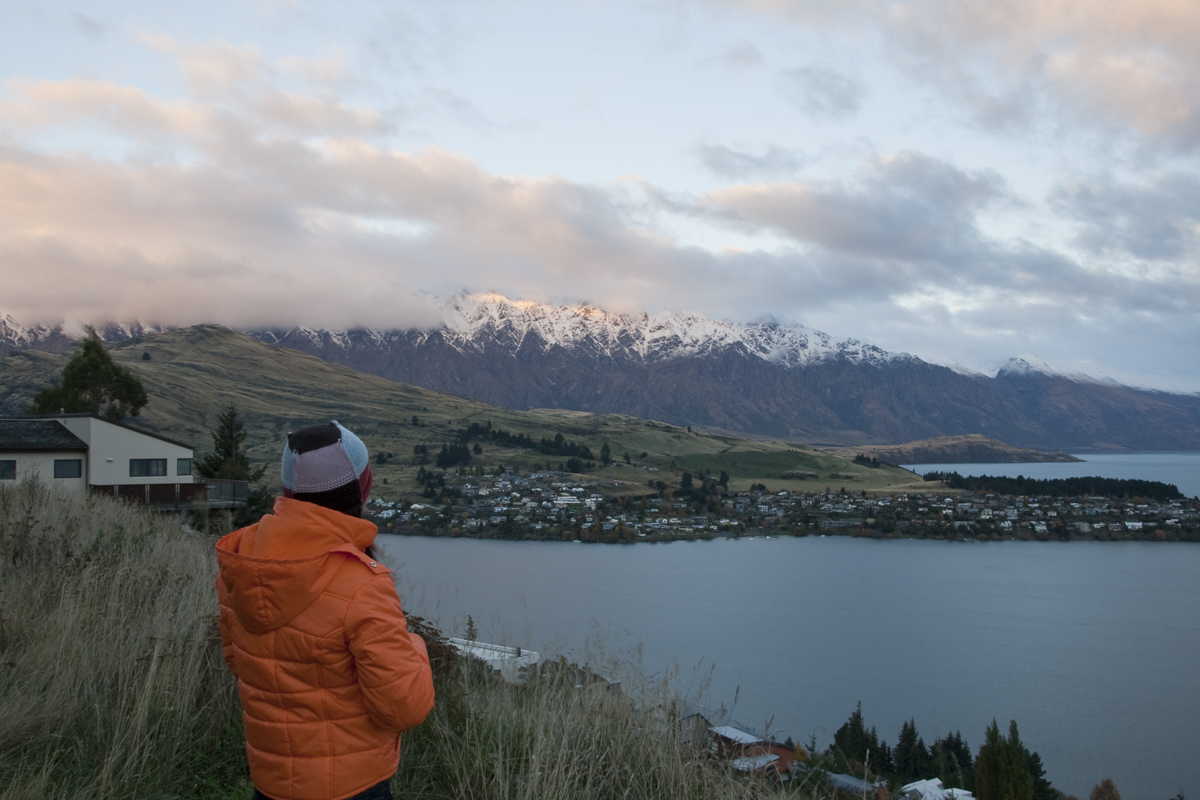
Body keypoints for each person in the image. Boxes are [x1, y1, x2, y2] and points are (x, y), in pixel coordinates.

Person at [216, 421, 434, 800]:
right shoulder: (361, 583)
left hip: (271, 782)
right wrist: (415, 645)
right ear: (362, 486)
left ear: (289, 491)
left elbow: (240, 660)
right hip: (352, 786)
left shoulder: (244, 561)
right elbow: (403, 709)